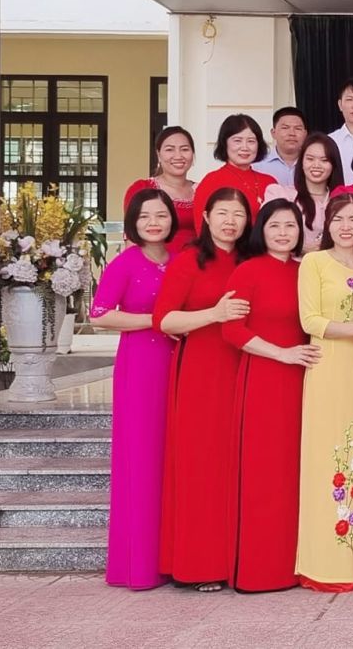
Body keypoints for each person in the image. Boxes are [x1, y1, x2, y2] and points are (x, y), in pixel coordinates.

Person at [151, 189, 252, 593]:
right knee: (202, 465)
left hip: (244, 366)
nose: (230, 221)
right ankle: (200, 564)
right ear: (206, 217)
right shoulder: (190, 260)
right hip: (203, 371)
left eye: (238, 214)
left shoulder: (248, 260)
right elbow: (164, 320)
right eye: (222, 213)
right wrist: (215, 313)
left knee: (237, 464)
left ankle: (238, 558)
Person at [296, 194, 353, 591]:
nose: (346, 226)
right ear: (327, 225)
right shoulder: (314, 263)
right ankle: (324, 563)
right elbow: (310, 320)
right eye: (338, 219)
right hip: (329, 366)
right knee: (328, 456)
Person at [221, 199, 315, 593]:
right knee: (265, 472)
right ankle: (259, 570)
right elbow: (232, 330)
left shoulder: (305, 271)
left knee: (296, 471)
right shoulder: (248, 270)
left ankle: (296, 564)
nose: (283, 233)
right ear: (262, 229)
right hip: (264, 378)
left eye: (290, 225)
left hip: (304, 380)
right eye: (274, 225)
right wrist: (282, 354)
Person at [91, 188, 179, 591]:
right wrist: (154, 321)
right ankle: (140, 565)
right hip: (141, 366)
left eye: (161, 215)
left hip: (178, 363)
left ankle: (174, 558)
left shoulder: (181, 259)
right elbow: (100, 315)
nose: (154, 223)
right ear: (133, 223)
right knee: (143, 459)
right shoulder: (125, 263)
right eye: (145, 217)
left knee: (171, 458)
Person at [263, 132, 343, 253]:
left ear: (333, 165)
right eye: (310, 159)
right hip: (290, 262)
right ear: (301, 162)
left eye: (324, 160)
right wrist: (302, 248)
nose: (316, 165)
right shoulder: (281, 195)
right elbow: (265, 233)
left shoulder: (342, 200)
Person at [191, 114, 272, 232]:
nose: (245, 147)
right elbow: (201, 228)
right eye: (237, 141)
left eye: (251, 141)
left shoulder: (270, 181)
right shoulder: (212, 181)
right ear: (225, 143)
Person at [126, 126, 199, 253]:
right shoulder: (142, 188)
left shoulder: (203, 190)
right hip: (155, 262)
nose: (178, 156)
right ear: (158, 155)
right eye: (170, 149)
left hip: (197, 262)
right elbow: (132, 237)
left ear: (192, 154)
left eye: (185, 149)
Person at [254, 107, 308, 186]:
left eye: (298, 128)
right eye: (285, 128)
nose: (292, 133)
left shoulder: (313, 164)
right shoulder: (258, 164)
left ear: (305, 134)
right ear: (273, 133)